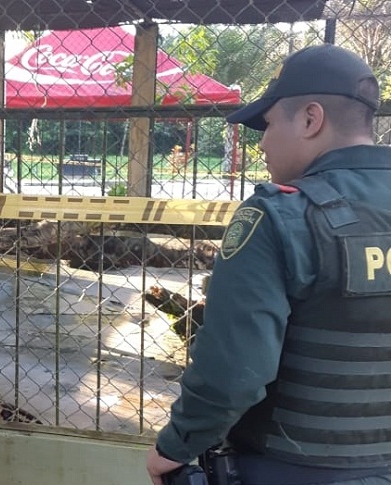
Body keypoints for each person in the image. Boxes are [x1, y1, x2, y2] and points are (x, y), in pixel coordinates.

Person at [146, 44, 391, 485]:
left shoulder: (280, 216)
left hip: (292, 468)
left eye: (270, 123)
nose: (261, 142)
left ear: (311, 119)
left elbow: (234, 372)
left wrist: (176, 446)